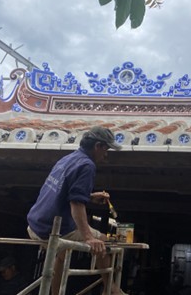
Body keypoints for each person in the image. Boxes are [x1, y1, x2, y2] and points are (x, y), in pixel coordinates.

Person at [27, 126, 124, 295]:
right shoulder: (87, 166)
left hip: (35, 225)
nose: (106, 154)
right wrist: (88, 238)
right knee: (103, 241)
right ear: (98, 146)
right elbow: (77, 204)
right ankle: (111, 289)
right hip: (52, 230)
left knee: (63, 253)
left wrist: (89, 196)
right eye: (106, 149)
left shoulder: (68, 158)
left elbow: (63, 191)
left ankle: (55, 293)